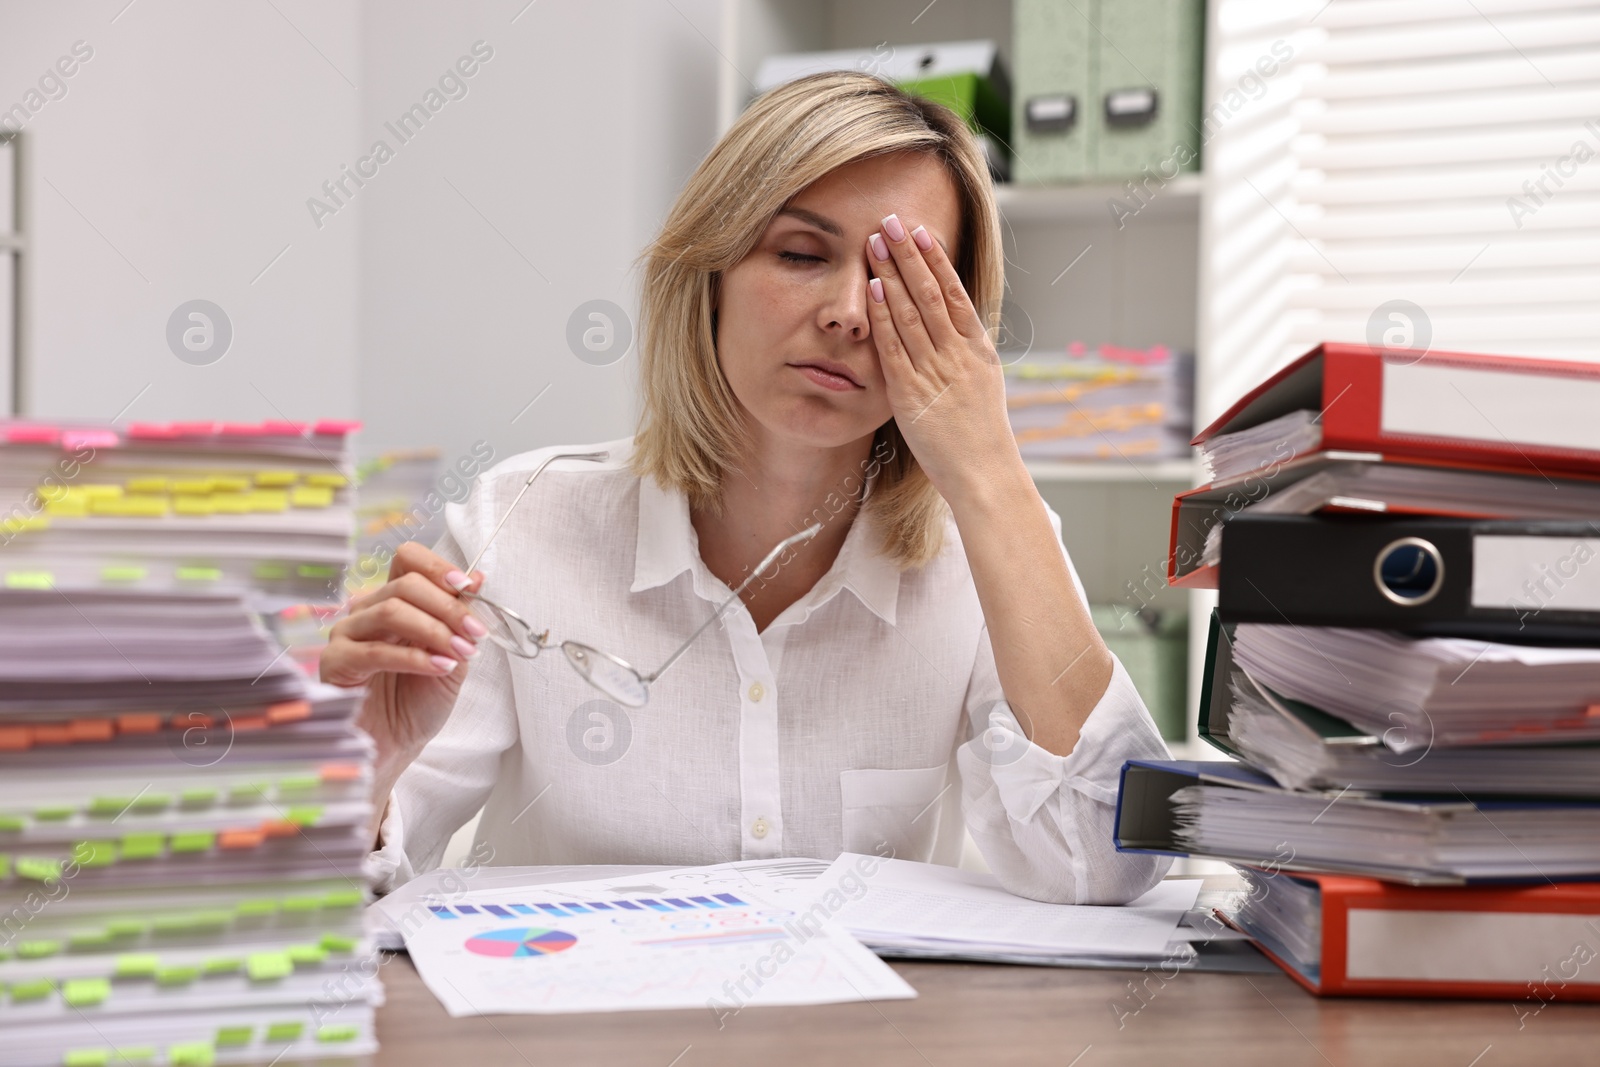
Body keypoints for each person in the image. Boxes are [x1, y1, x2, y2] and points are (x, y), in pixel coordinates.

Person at [321, 71, 1173, 904]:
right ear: (709, 275)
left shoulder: (986, 545)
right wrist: (365, 761)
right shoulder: (519, 524)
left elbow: (1105, 863)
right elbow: (338, 889)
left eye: (900, 279)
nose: (848, 311)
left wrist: (989, 469)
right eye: (802, 253)